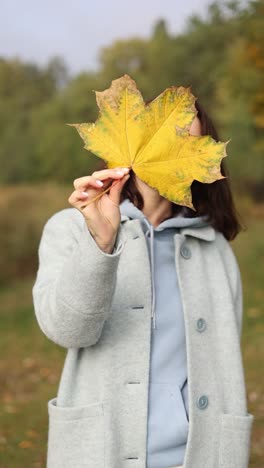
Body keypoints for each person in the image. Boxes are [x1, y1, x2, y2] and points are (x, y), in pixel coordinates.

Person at [32, 100, 253, 468]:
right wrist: (100, 244)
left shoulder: (214, 249)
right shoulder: (70, 228)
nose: (174, 149)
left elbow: (223, 360)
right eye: (166, 136)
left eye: (189, 142)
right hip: (103, 450)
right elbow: (67, 330)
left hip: (198, 454)